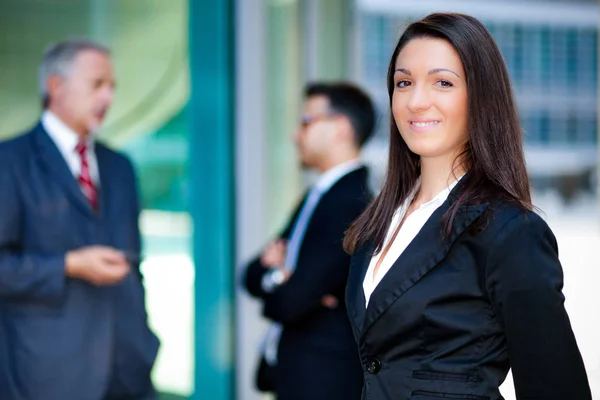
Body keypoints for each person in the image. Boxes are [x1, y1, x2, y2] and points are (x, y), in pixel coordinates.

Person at [343, 12, 591, 400]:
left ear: (481, 96)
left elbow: (555, 386)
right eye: (403, 82)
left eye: (442, 82)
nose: (416, 101)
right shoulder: (379, 222)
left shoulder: (510, 230)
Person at [0, 39, 159, 400]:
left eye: (112, 87)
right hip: (46, 377)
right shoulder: (9, 163)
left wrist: (145, 342)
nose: (108, 97)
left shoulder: (120, 168)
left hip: (128, 374)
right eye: (97, 84)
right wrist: (69, 265)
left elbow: (135, 268)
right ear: (56, 86)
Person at [244, 82, 376, 400]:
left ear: (339, 129)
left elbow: (288, 302)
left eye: (306, 122)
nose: (295, 134)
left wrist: (289, 287)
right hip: (300, 374)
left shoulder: (350, 205)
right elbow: (251, 274)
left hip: (325, 380)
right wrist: (279, 277)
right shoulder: (318, 196)